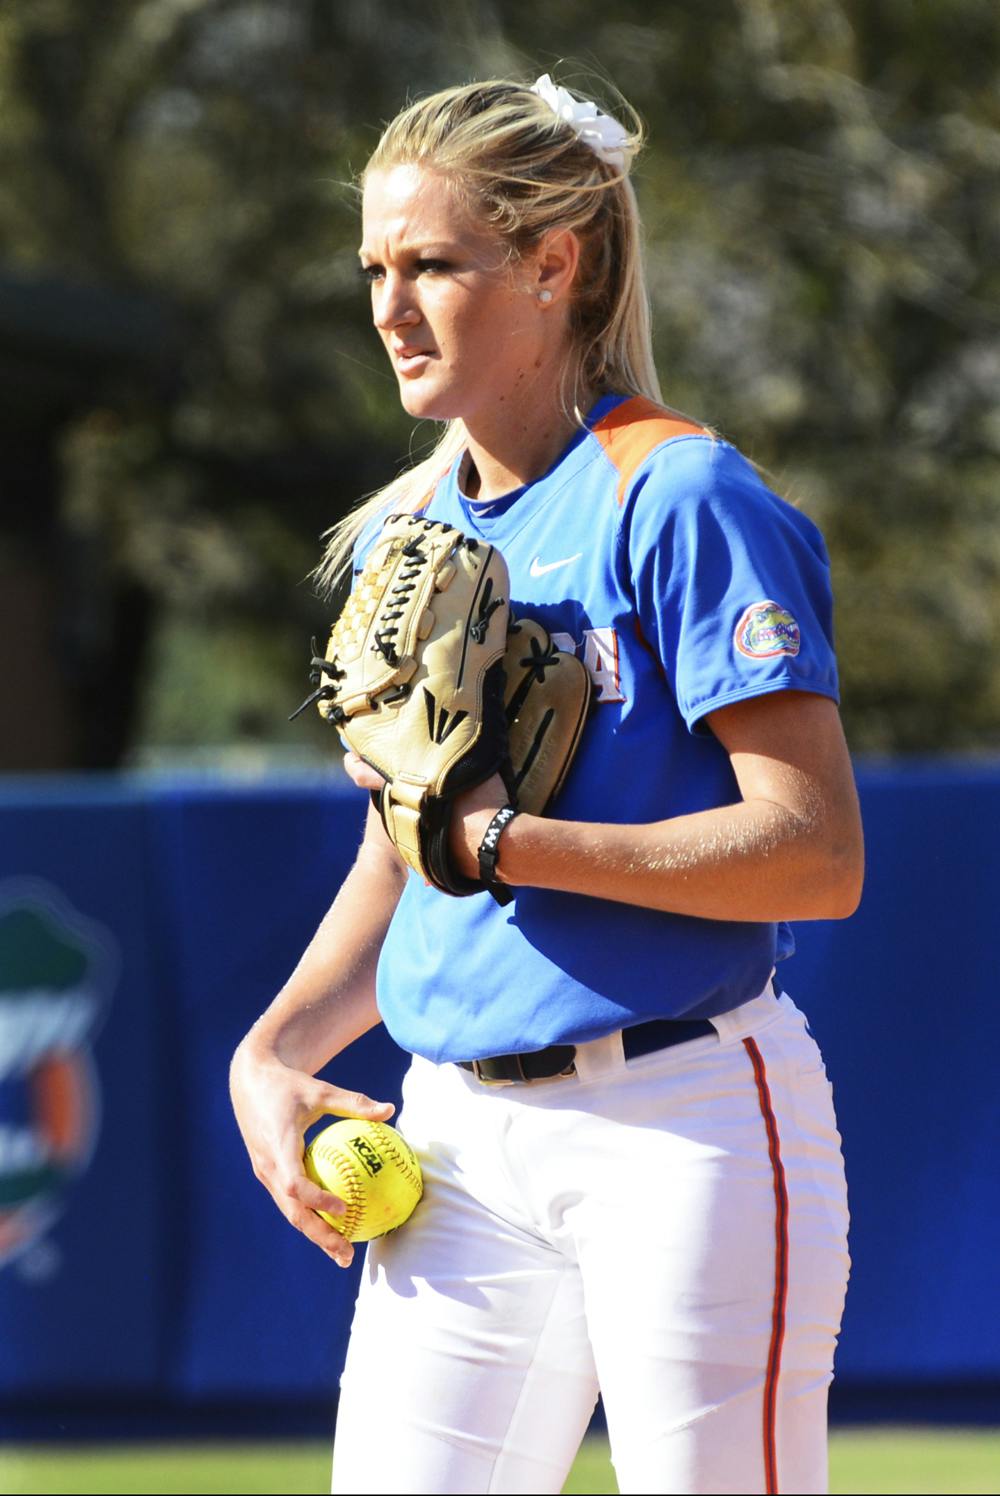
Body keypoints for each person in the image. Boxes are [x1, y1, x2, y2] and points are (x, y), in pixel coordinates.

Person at [230, 73, 862, 1496]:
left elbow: (814, 853)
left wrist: (511, 841)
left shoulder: (679, 496)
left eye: (434, 265)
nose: (392, 305)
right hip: (452, 1137)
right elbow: (411, 848)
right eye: (376, 269)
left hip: (682, 1120)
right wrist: (271, 1051)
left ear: (554, 264)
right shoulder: (412, 530)